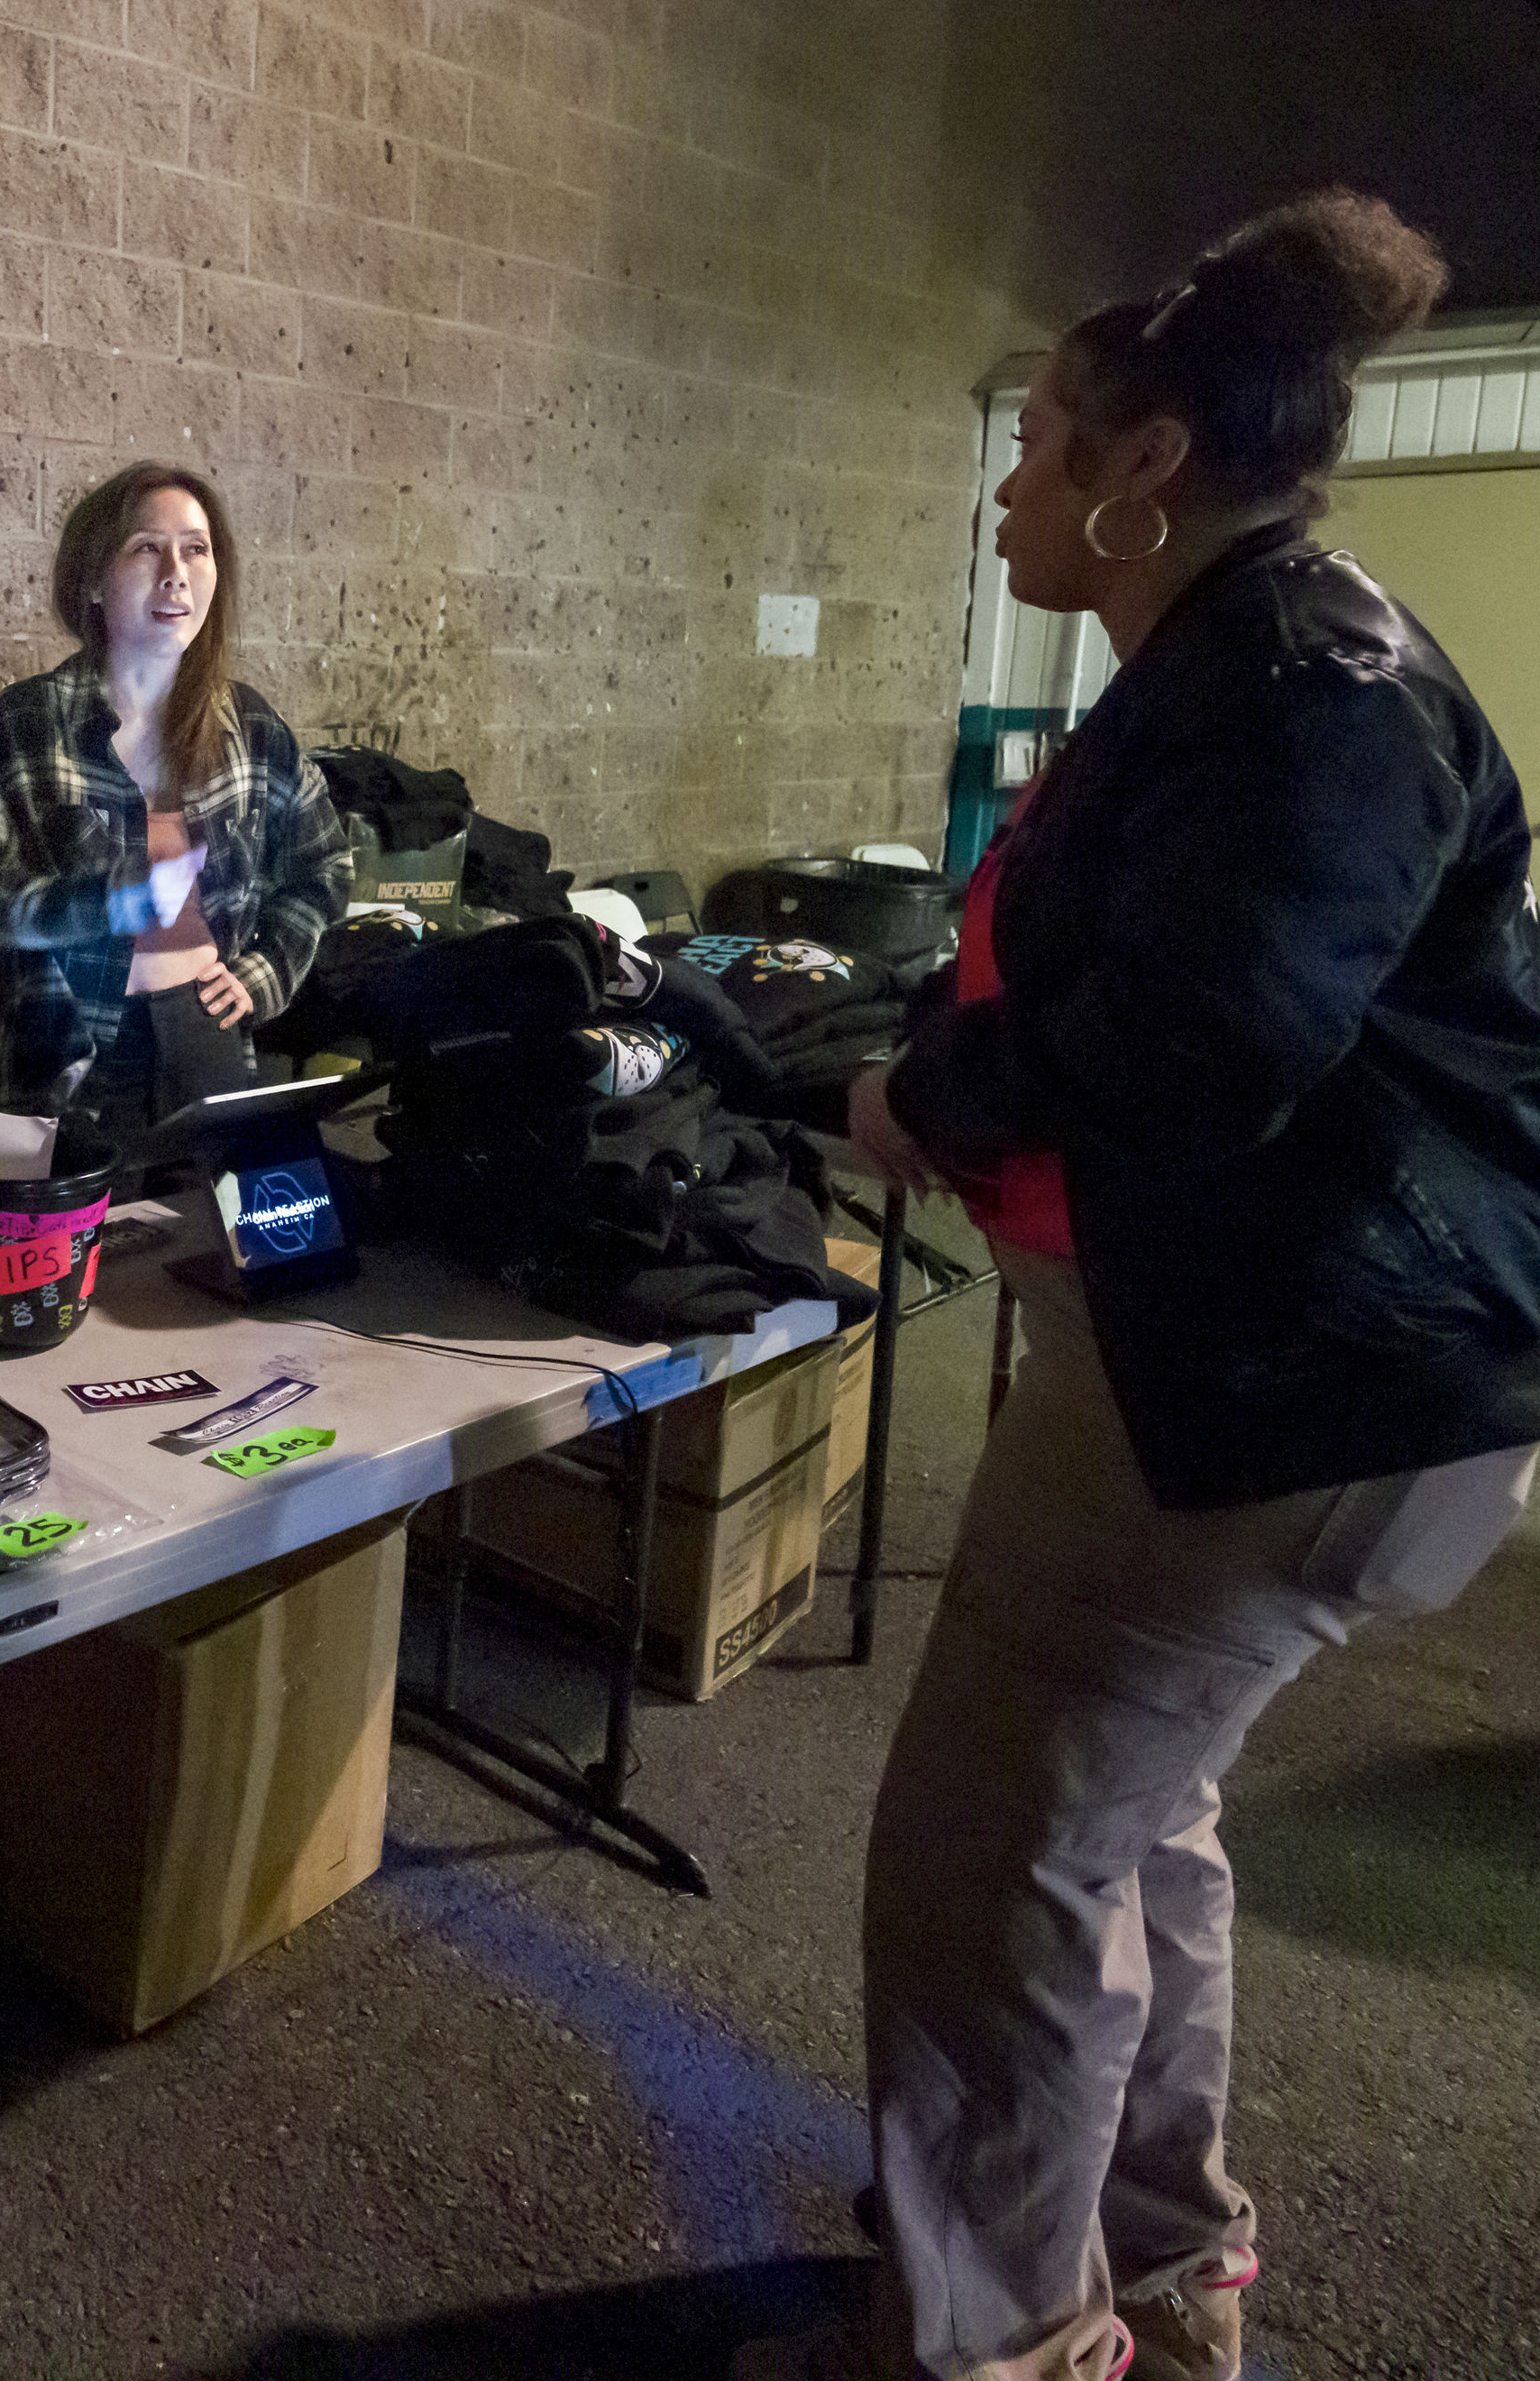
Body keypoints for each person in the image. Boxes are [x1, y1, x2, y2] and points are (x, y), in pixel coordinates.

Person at [757, 191, 1540, 2381]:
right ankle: (1163, 2264)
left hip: (1278, 1392)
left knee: (988, 1856)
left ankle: (993, 2344)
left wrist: (936, 1095)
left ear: (1142, 467)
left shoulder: (1308, 685)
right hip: (1273, 1373)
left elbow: (1206, 1033)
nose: (1008, 483)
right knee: (1126, 1829)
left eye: (1039, 446)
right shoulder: (1238, 660)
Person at [0, 462, 346, 1155]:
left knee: (210, 1253)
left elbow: (326, 866)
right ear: (93, 579)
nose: (176, 572)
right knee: (37, 1255)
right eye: (146, 547)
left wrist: (266, 971)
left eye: (196, 548)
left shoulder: (250, 727)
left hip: (205, 1037)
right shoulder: (27, 721)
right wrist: (102, 904)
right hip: (51, 1049)